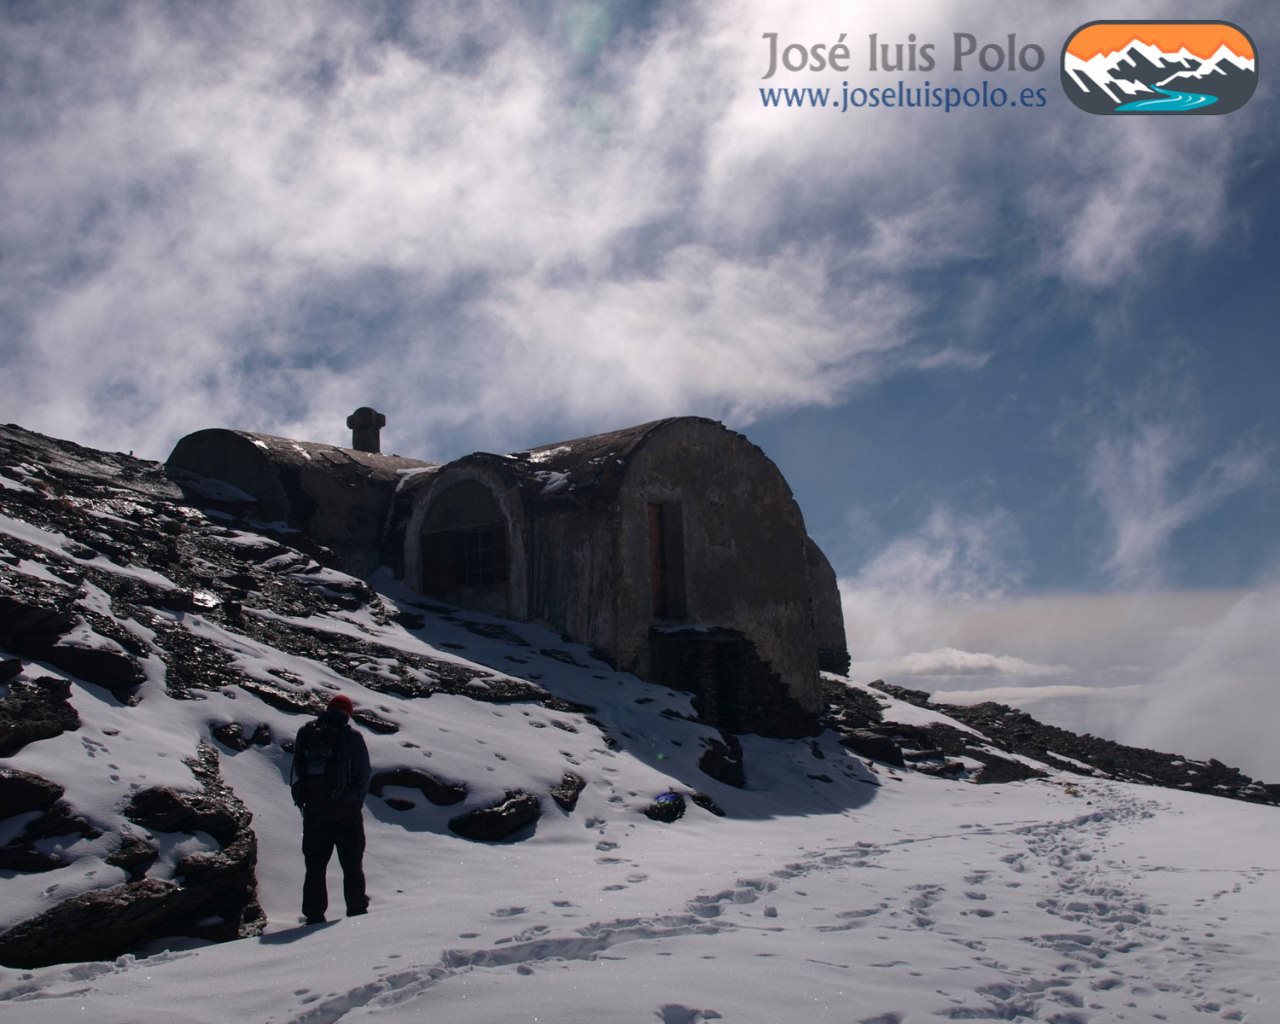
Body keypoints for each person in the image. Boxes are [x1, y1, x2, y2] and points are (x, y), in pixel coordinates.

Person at [290, 694, 371, 924]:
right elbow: (363, 775)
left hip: (314, 809)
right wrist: (353, 801)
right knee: (352, 862)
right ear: (347, 714)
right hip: (345, 810)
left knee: (315, 865)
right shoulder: (352, 737)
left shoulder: (306, 733)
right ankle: (357, 912)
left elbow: (298, 768)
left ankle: (314, 916)